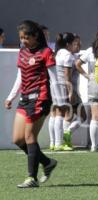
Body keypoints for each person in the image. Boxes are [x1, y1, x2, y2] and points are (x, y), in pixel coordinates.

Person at [4, 20, 58, 188]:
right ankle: (47, 162)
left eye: (26, 37)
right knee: (17, 139)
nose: (23, 41)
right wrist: (11, 97)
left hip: (40, 99)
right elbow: (20, 77)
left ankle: (31, 178)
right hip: (25, 99)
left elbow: (55, 79)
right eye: (21, 38)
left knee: (29, 137)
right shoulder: (22, 52)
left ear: (35, 36)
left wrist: (61, 101)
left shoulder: (46, 52)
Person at [75, 27, 98, 152]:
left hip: (93, 83)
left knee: (95, 117)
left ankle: (94, 146)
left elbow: (77, 63)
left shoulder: (90, 50)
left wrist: (87, 76)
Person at [49, 32, 77, 151]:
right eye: (73, 43)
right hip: (61, 86)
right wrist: (71, 91)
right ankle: (59, 143)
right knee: (61, 113)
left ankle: (53, 143)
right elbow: (67, 75)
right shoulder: (68, 55)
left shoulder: (57, 52)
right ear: (68, 44)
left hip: (53, 85)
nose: (74, 46)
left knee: (54, 113)